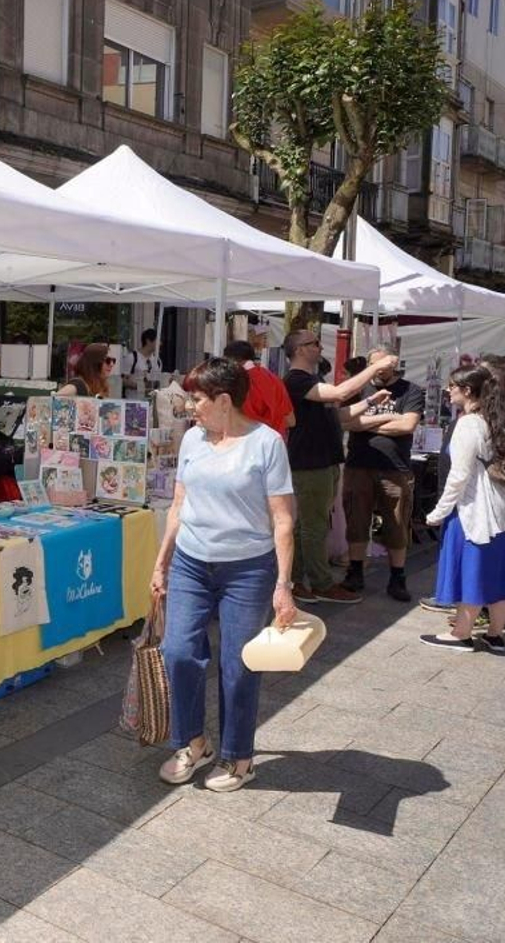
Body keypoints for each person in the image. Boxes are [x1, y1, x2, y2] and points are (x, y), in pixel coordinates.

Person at [152, 358, 296, 793]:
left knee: (238, 664)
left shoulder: (266, 444)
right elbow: (179, 504)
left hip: (248, 569)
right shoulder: (193, 440)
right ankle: (194, 743)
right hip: (192, 564)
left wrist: (283, 586)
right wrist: (161, 563)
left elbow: (283, 520)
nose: (190, 406)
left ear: (224, 400)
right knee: (177, 651)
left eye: (197, 399)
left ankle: (239, 757)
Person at [281, 332, 395, 605]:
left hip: (322, 462)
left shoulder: (312, 381)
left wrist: (369, 402)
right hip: (310, 463)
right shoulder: (296, 380)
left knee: (306, 525)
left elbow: (338, 414)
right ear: (298, 349)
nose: (320, 347)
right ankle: (320, 583)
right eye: (313, 343)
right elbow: (340, 393)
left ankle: (296, 581)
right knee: (314, 527)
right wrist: (374, 367)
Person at [423, 365, 505, 652]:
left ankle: (461, 634)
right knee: (503, 576)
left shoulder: (469, 423)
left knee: (472, 571)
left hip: (477, 512)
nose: (448, 390)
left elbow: (459, 476)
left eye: (452, 386)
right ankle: (495, 635)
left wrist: (438, 512)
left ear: (467, 390)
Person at [339, 351, 425, 602]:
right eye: (374, 362)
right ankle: (355, 572)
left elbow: (407, 425)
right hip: (358, 464)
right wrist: (388, 418)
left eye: (384, 363)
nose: (379, 368)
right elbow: (347, 423)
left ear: (394, 363)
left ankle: (397, 577)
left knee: (396, 524)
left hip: (395, 468)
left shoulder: (411, 390)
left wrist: (367, 422)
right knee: (356, 520)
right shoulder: (360, 388)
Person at [224, 340, 294, 438]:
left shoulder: (235, 382)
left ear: (230, 360)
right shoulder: (274, 379)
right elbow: (291, 420)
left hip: (246, 443)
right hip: (275, 442)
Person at [121, 328, 161, 397]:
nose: (160, 344)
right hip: (134, 401)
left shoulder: (157, 361)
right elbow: (122, 380)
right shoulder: (132, 358)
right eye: (157, 341)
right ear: (148, 341)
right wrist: (139, 386)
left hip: (151, 401)